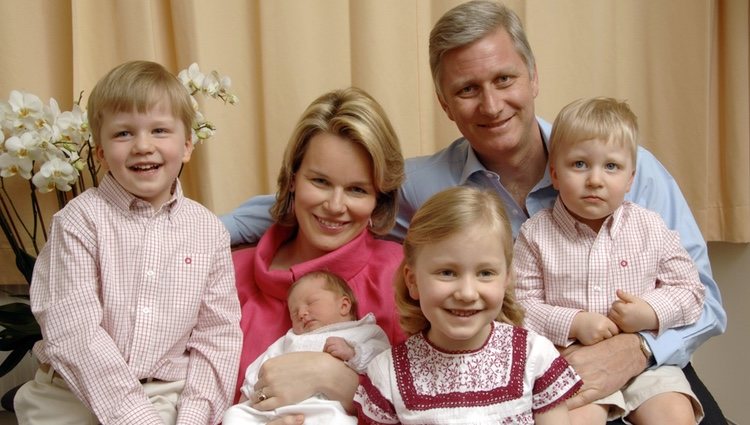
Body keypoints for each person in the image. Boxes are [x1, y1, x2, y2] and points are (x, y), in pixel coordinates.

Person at [220, 2, 728, 423]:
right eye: (467, 89)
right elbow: (333, 202)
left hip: (645, 362)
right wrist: (198, 231)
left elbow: (704, 300)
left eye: (504, 79)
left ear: (533, 78)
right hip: (522, 389)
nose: (491, 105)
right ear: (445, 103)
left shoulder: (623, 170)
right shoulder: (421, 187)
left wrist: (635, 350)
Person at [13, 60, 242, 424]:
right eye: (123, 134)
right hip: (72, 392)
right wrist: (135, 417)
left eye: (159, 130)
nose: (143, 146)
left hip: (167, 392)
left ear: (186, 146)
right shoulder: (78, 222)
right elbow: (74, 332)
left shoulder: (208, 232)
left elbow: (218, 335)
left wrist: (196, 414)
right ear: (101, 153)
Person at [513, 97, 706, 424]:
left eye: (611, 166)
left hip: (648, 368)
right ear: (555, 175)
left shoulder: (650, 226)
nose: (595, 180)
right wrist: (573, 322)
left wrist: (650, 312)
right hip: (572, 365)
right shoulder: (535, 234)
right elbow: (519, 306)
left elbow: (691, 291)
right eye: (579, 165)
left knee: (674, 414)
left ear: (631, 178)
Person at [229, 86, 405, 425]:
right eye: (320, 181)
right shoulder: (230, 273)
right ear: (293, 179)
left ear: (378, 200)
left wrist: (337, 380)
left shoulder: (401, 276)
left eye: (357, 189)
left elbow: (440, 405)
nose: (336, 206)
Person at [353, 186, 582, 424]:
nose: (466, 293)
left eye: (485, 273)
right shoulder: (387, 375)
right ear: (413, 281)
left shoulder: (535, 357)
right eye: (447, 272)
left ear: (507, 279)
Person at [223, 270, 390, 424]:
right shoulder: (290, 339)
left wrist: (354, 353)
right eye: (294, 313)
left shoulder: (364, 332)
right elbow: (262, 365)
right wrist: (247, 396)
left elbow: (383, 364)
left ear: (344, 305)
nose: (302, 313)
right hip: (274, 409)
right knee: (233, 415)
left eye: (311, 303)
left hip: (326, 409)